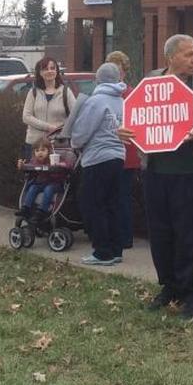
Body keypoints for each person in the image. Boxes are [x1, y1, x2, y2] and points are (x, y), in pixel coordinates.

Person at [119, 34, 193, 320]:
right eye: (188, 54)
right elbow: (133, 122)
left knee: (190, 236)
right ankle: (170, 287)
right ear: (171, 58)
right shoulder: (150, 84)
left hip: (191, 173)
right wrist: (124, 131)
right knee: (161, 235)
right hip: (156, 173)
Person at [70, 62, 127, 266]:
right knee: (113, 204)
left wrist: (73, 142)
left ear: (98, 79)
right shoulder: (121, 101)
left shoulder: (96, 101)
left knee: (92, 204)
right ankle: (116, 249)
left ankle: (102, 251)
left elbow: (81, 133)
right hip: (118, 157)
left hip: (97, 158)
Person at [105, 50, 141, 249]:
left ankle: (124, 237)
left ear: (124, 72)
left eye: (117, 70)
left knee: (122, 196)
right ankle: (115, 234)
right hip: (111, 152)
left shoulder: (131, 94)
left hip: (126, 153)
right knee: (113, 195)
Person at [21, 56, 75, 159]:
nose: (49, 71)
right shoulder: (33, 92)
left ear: (57, 71)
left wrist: (62, 130)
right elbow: (26, 117)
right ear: (40, 73)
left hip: (58, 145)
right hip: (34, 145)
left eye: (52, 68)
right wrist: (49, 127)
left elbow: (76, 116)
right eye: (45, 69)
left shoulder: (66, 92)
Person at [16, 138, 66, 223]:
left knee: (48, 188)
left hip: (55, 184)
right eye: (37, 150)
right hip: (42, 183)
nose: (40, 152)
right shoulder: (34, 161)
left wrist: (61, 165)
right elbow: (28, 167)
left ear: (49, 151)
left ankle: (42, 211)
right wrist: (22, 166)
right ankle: (26, 208)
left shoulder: (54, 159)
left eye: (43, 150)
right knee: (33, 187)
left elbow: (68, 164)